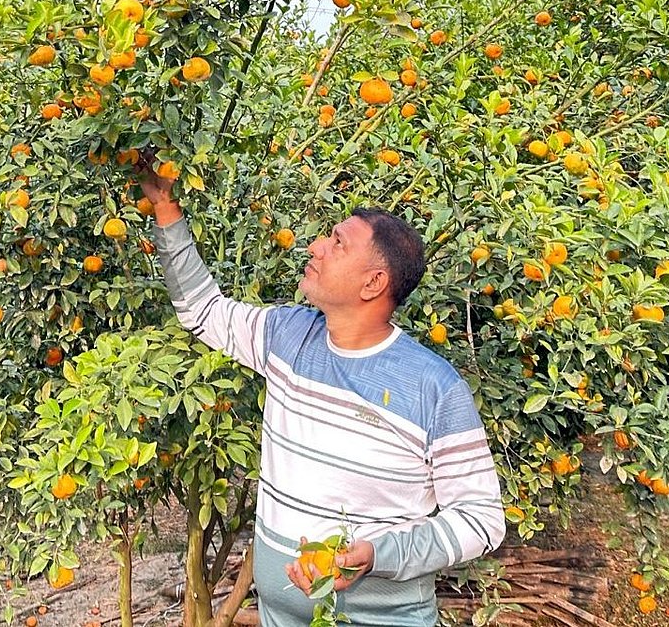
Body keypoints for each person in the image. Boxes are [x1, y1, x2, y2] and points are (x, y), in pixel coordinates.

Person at [140, 165, 506, 627]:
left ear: (373, 283)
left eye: (337, 244)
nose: (315, 247)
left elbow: (481, 519)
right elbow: (202, 311)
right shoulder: (289, 336)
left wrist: (377, 554)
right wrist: (166, 208)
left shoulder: (432, 387)